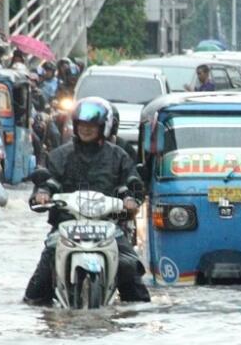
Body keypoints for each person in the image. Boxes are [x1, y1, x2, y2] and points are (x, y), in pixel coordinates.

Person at [24, 97, 151, 305]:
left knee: (128, 265)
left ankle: (135, 316)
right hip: (65, 225)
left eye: (92, 125)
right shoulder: (59, 155)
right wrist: (43, 193)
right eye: (82, 125)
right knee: (46, 265)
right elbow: (48, 180)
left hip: (110, 225)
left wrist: (131, 199)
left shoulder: (119, 156)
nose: (86, 129)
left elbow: (133, 182)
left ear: (104, 127)